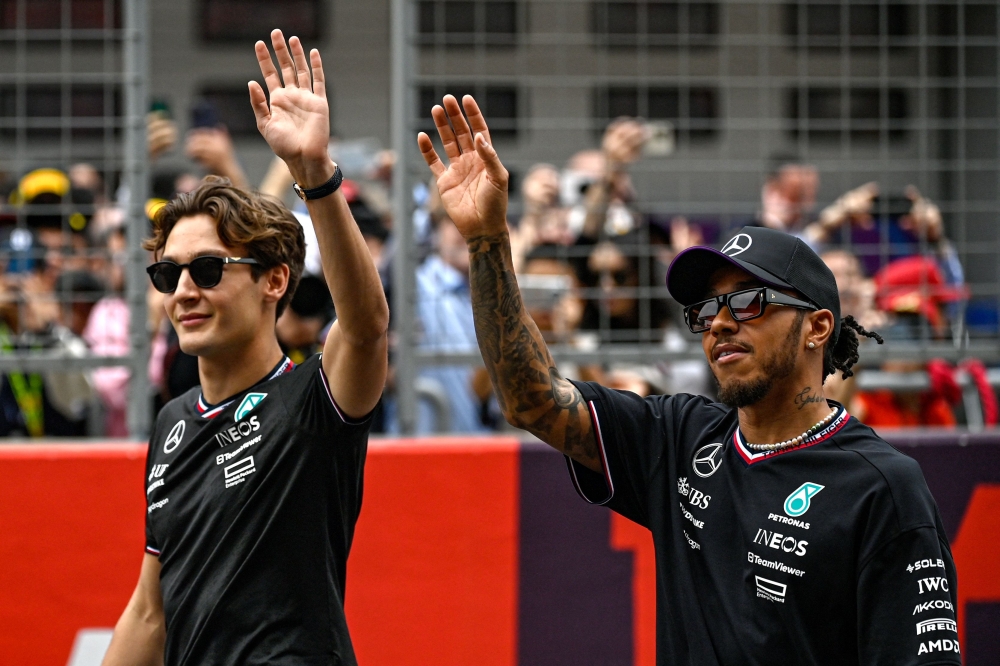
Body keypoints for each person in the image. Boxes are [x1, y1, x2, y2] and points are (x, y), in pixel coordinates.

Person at [418, 95, 961, 665]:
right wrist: (487, 242)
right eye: (706, 310)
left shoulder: (885, 488)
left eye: (749, 302)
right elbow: (531, 401)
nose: (720, 322)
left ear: (817, 327)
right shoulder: (681, 437)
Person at [102, 31, 388, 666]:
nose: (182, 291)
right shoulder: (172, 421)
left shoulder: (314, 399)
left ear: (274, 281)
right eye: (166, 275)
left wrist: (314, 176)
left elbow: (365, 324)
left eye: (207, 270)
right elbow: (150, 610)